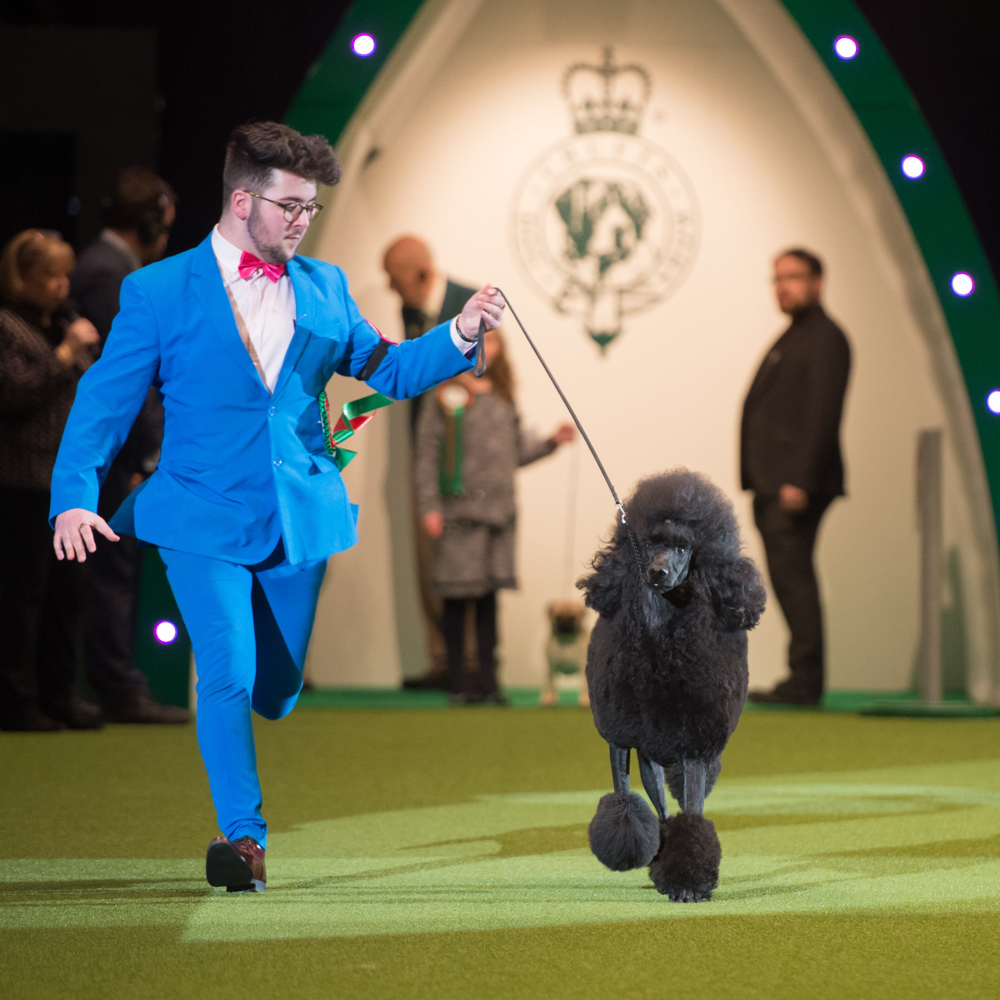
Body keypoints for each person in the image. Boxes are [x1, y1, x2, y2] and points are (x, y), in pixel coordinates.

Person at [48, 121, 504, 892]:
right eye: (290, 206)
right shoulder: (157, 291)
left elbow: (389, 372)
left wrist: (460, 332)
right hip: (199, 512)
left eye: (310, 208)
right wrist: (73, 499)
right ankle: (243, 841)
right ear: (241, 202)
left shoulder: (326, 286)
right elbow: (103, 402)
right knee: (224, 671)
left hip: (299, 518)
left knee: (276, 691)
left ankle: (271, 696)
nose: (302, 220)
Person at [71, 168, 188, 725]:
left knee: (110, 569)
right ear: (148, 225)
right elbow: (123, 380)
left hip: (111, 451)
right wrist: (145, 452)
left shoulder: (108, 269)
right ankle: (116, 688)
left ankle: (115, 684)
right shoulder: (110, 275)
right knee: (109, 570)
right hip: (109, 455)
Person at [415, 325, 575, 703]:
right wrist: (430, 506)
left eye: (493, 340)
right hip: (458, 513)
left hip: (499, 516)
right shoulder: (444, 396)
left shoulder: (504, 396)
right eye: (480, 339)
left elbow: (515, 452)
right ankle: (458, 681)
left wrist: (550, 442)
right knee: (456, 598)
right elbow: (427, 455)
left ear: (501, 348)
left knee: (489, 601)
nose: (486, 346)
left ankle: (489, 681)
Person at [0, 229, 101, 731]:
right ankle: (16, 700)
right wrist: (64, 353)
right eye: (50, 276)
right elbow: (14, 395)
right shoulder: (7, 326)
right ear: (23, 277)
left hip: (69, 485)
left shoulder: (63, 323)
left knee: (67, 592)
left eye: (66, 275)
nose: (62, 286)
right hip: (21, 482)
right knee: (22, 596)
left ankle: (59, 692)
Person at [742, 248, 851, 707]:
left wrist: (800, 480)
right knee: (790, 579)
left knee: (795, 580)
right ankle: (802, 676)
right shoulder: (798, 335)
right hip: (778, 482)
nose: (782, 286)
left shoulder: (824, 338)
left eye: (793, 277)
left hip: (794, 485)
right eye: (777, 278)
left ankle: (805, 680)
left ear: (817, 281)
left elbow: (822, 414)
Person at [383, 235, 477, 689]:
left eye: (393, 277)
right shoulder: (410, 314)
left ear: (419, 274)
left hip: (468, 456)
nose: (389, 287)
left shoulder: (470, 305)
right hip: (424, 453)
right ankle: (442, 659)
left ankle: (472, 661)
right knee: (427, 560)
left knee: (468, 559)